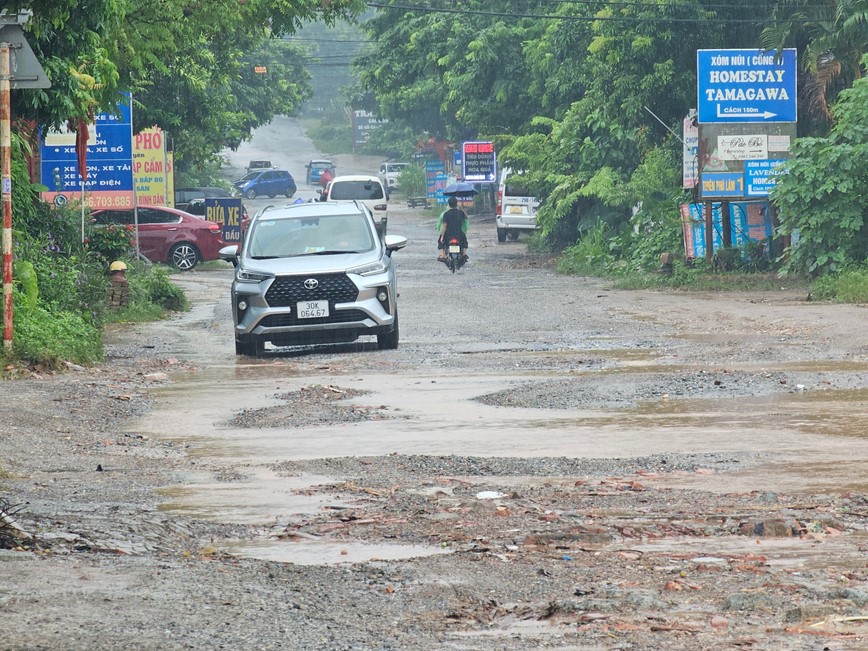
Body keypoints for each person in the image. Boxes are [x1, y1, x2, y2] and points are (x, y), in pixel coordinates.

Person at [438, 195, 468, 262]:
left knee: (440, 241)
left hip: (448, 235)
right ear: (456, 204)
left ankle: (442, 254)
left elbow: (444, 226)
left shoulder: (446, 214)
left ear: (449, 204)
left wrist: (442, 236)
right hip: (459, 234)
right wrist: (462, 208)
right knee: (464, 241)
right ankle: (464, 253)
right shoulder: (460, 213)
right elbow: (466, 217)